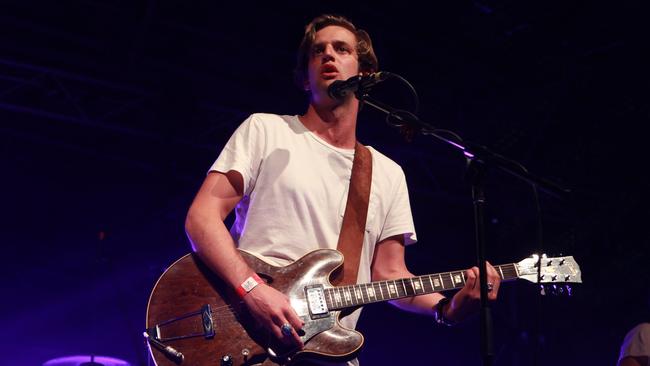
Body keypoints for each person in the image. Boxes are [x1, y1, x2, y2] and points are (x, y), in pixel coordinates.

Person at [185, 14, 501, 365]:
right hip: (248, 339)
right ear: (305, 78)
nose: (329, 56)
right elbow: (202, 218)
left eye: (341, 49)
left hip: (328, 354)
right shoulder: (267, 131)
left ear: (364, 73)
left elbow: (390, 274)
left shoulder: (385, 173)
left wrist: (448, 308)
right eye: (318, 51)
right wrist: (252, 289)